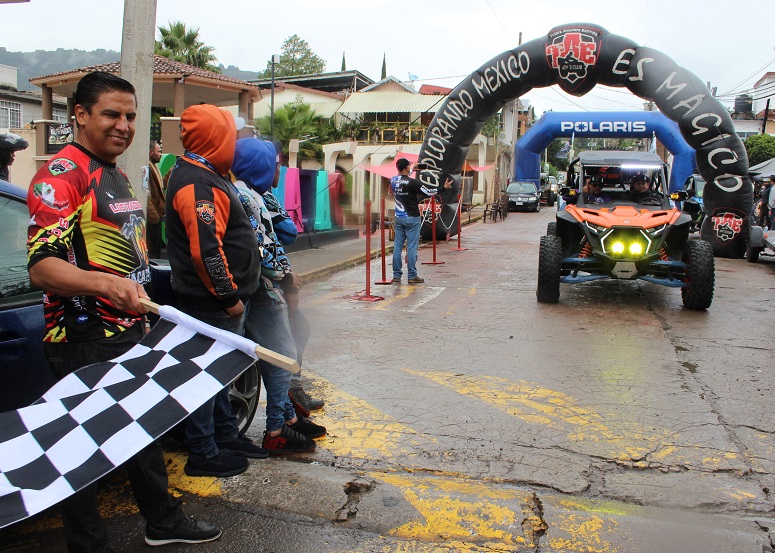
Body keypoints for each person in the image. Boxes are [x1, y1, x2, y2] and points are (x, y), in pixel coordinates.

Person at [26, 71, 221, 551]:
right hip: (82, 336)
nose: (124, 125)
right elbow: (42, 267)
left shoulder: (113, 170)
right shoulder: (62, 175)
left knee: (140, 431)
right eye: (111, 114)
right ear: (81, 115)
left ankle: (162, 521)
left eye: (131, 117)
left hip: (127, 330)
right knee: (80, 453)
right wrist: (106, 285)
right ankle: (89, 545)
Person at [164, 104, 266, 477]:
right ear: (214, 138)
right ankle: (203, 452)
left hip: (221, 303)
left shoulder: (207, 174)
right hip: (213, 305)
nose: (234, 144)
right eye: (229, 135)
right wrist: (229, 298)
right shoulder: (197, 183)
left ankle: (225, 436)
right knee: (205, 378)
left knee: (220, 375)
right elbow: (206, 250)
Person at [231, 137, 325, 454]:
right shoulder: (247, 198)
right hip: (263, 289)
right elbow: (262, 247)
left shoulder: (254, 195)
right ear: (259, 166)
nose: (278, 171)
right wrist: (284, 278)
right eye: (273, 165)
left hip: (265, 287)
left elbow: (276, 237)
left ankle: (287, 418)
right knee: (283, 353)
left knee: (279, 356)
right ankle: (276, 429)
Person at [391, 158, 452, 284]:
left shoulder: (393, 180)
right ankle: (412, 275)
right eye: (409, 166)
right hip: (412, 217)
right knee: (412, 247)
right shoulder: (413, 183)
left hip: (399, 218)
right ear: (406, 168)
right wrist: (444, 188)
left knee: (397, 247)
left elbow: (403, 179)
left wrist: (412, 169)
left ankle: (396, 275)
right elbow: (428, 192)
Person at [146, 140, 166, 258]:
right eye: (159, 151)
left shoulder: (154, 166)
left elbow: (161, 185)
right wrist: (154, 216)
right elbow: (146, 193)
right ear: (151, 152)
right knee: (153, 253)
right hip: (153, 219)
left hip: (157, 217)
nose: (161, 154)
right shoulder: (148, 168)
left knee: (156, 251)